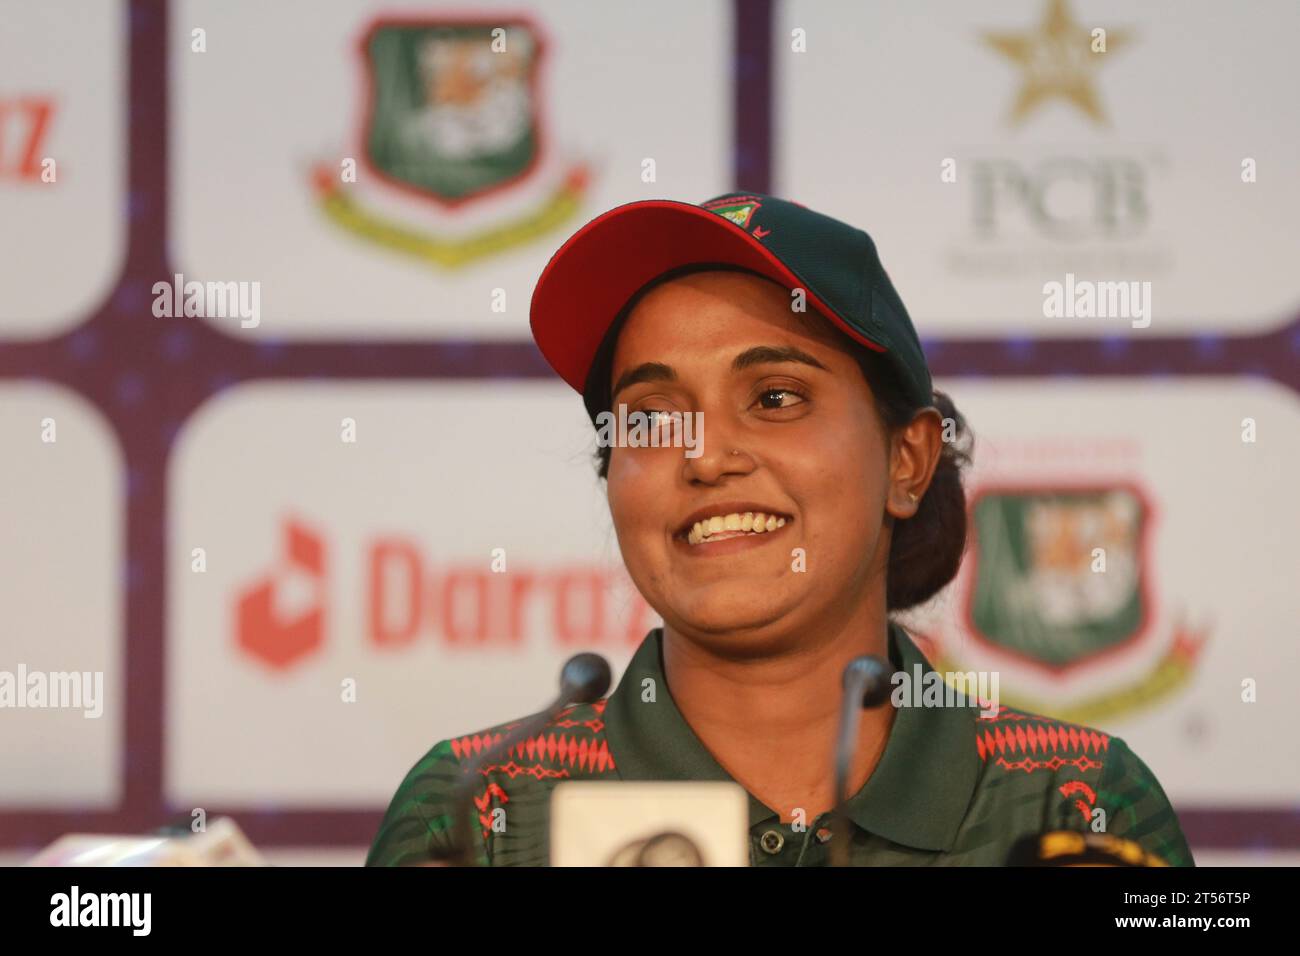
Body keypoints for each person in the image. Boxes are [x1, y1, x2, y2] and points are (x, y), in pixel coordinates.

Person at [366, 192, 1193, 867]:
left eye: (775, 398)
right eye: (650, 419)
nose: (705, 457)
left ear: (906, 460)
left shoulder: (1078, 799)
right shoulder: (477, 811)